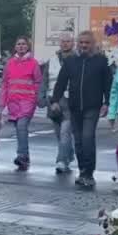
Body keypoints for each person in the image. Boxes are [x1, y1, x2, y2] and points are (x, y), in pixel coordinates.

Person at [51, 30, 113, 190]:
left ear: (93, 44)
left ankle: (89, 173)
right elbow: (61, 82)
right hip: (74, 107)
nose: (84, 45)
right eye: (81, 42)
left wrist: (107, 103)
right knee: (78, 141)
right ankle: (82, 170)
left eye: (87, 43)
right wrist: (55, 100)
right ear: (78, 44)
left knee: (87, 138)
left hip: (92, 107)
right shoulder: (71, 61)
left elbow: (108, 84)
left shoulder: (102, 61)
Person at [0, 36, 42, 171]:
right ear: (15, 47)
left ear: (28, 46)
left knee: (22, 126)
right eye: (19, 44)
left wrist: (35, 97)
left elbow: (38, 82)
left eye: (24, 44)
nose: (21, 46)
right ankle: (25, 156)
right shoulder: (10, 63)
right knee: (19, 129)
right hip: (13, 102)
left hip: (27, 101)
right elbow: (5, 83)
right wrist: (2, 103)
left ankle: (22, 155)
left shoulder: (33, 63)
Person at [41, 33, 77, 174]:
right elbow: (45, 80)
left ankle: (61, 161)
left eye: (68, 41)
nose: (65, 44)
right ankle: (69, 154)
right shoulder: (52, 60)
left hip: (70, 100)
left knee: (65, 132)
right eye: (63, 41)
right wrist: (42, 97)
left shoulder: (78, 59)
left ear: (72, 43)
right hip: (53, 100)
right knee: (59, 134)